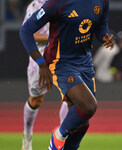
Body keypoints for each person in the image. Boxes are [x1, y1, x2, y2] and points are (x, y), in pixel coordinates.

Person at [20, 0, 114, 150]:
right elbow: (26, 31)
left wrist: (105, 36)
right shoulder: (57, 3)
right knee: (89, 106)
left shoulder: (102, 1)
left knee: (83, 121)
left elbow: (101, 25)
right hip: (61, 63)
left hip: (85, 64)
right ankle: (58, 135)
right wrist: (41, 63)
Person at [21, 1, 68, 150]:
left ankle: (62, 139)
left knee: (71, 96)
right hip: (40, 60)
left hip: (62, 58)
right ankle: (27, 136)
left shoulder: (68, 3)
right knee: (36, 100)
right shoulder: (36, 5)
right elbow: (28, 33)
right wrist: (52, 38)